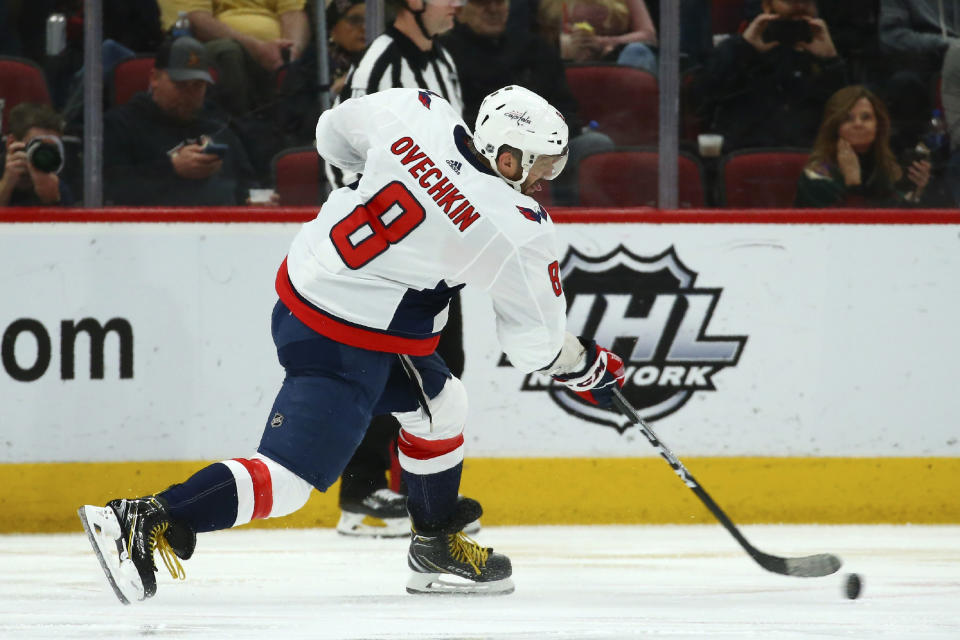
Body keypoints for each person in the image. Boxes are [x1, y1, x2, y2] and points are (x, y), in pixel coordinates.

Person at [78, 84, 627, 601]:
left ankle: (433, 546)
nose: (544, 181)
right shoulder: (514, 224)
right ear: (506, 157)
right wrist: (585, 364)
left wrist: (400, 176)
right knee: (289, 480)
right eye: (542, 166)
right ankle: (145, 519)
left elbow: (331, 135)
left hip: (314, 288)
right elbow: (535, 346)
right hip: (346, 337)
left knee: (440, 408)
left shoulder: (421, 109)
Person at [325, 0, 469, 538]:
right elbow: (346, 155)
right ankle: (361, 494)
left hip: (437, 252)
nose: (458, 4)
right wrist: (376, 242)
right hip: (388, 254)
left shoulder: (444, 61)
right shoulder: (380, 65)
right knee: (387, 370)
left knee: (445, 365)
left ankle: (422, 498)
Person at [442, 0, 614, 204]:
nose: (494, 10)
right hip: (483, 151)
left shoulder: (535, 47)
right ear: (460, 9)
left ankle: (570, 218)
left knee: (595, 143)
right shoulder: (446, 53)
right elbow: (452, 117)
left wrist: (542, 142)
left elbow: (566, 108)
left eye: (499, 4)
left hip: (543, 148)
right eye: (483, 4)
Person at [102, 35, 260, 206]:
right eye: (180, 85)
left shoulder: (218, 127)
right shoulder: (120, 125)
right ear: (154, 79)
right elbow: (109, 190)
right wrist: (172, 169)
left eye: (198, 86)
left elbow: (247, 186)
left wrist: (256, 201)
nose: (189, 94)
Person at [693, 0, 848, 152]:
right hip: (746, 152)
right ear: (767, 6)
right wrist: (744, 49)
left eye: (807, 2)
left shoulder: (830, 49)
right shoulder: (734, 49)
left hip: (807, 155)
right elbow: (701, 99)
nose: (800, 7)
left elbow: (848, 110)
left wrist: (830, 62)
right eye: (791, 2)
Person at [158, 0, 310, 117]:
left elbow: (294, 12)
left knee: (313, 58)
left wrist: (292, 49)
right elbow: (198, 20)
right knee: (229, 51)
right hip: (208, 44)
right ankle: (239, 124)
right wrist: (258, 48)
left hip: (275, 49)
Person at [795, 85, 931, 207]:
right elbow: (839, 227)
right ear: (834, 127)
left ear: (878, 126)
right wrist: (852, 183)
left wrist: (916, 192)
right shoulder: (817, 172)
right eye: (848, 119)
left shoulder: (886, 166)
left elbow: (894, 214)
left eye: (866, 117)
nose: (858, 124)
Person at [537, 0, 658, 73]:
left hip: (615, 61)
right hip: (560, 64)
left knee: (637, 51)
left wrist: (601, 43)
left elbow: (648, 35)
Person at [0, 103, 74, 207]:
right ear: (11, 143)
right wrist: (6, 185)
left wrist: (53, 200)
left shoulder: (56, 184)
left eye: (50, 149)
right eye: (36, 146)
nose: (43, 154)